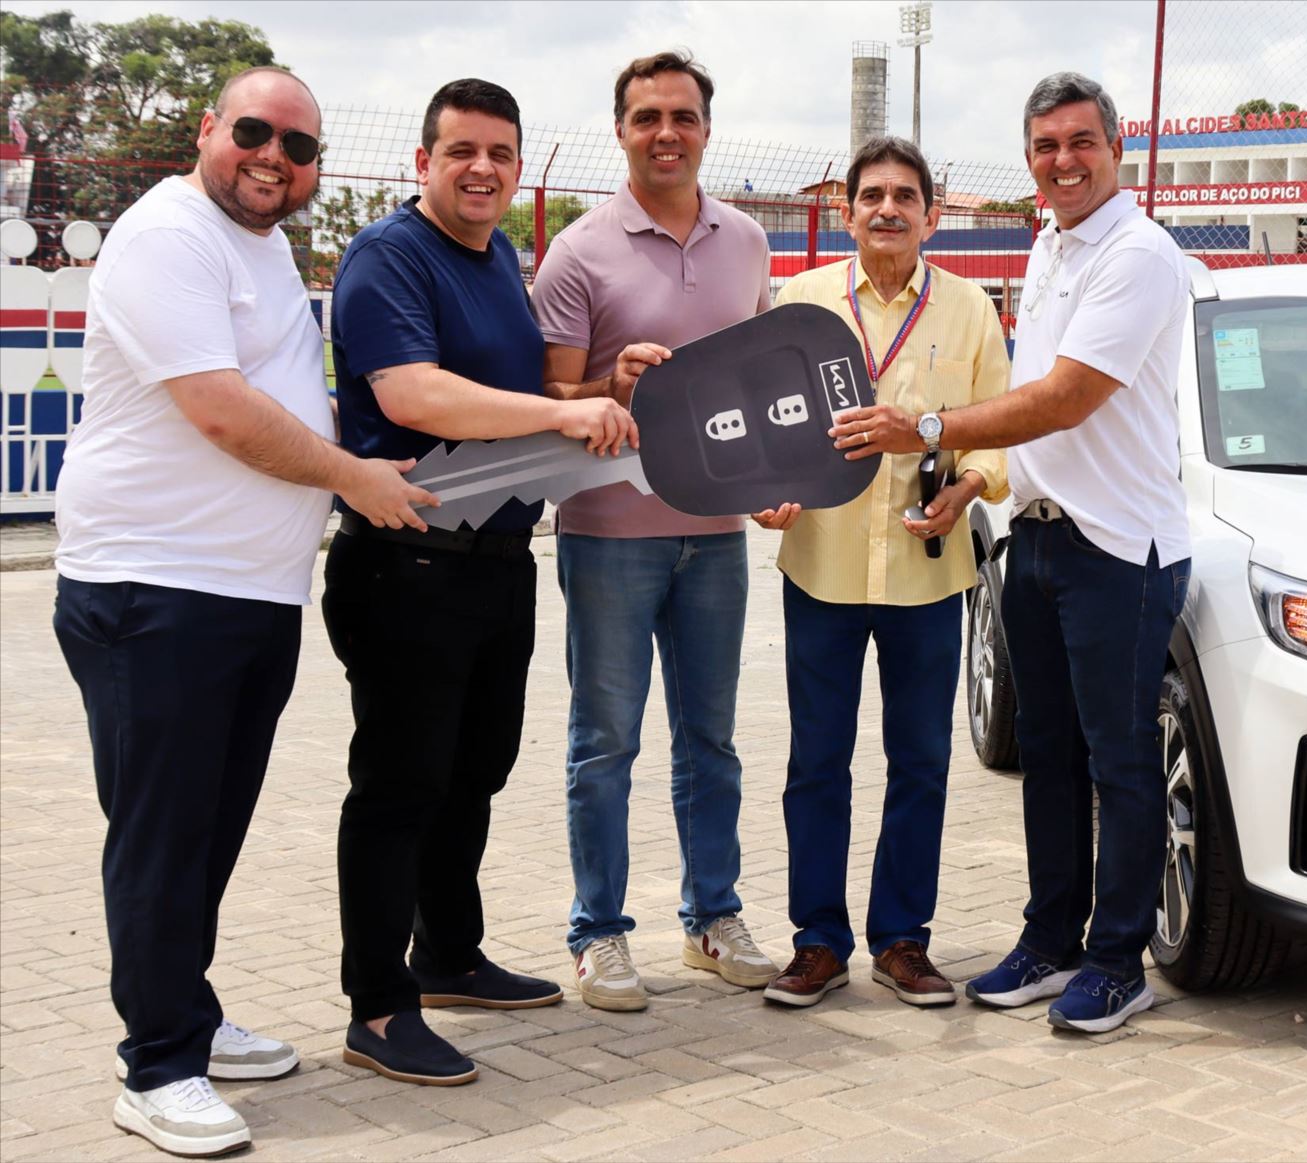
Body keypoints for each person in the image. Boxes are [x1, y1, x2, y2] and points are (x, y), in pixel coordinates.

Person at [52, 66, 436, 1155]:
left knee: (205, 832)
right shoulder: (166, 233)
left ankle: (189, 1012)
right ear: (207, 130)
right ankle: (157, 1064)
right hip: (152, 587)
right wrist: (354, 476)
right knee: (164, 836)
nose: (275, 160)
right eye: (256, 134)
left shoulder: (260, 243)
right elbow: (219, 409)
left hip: (244, 592)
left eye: (299, 148)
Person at [829, 73, 1192, 1035]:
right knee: (1047, 754)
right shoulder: (1050, 242)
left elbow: (1067, 396)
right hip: (1036, 537)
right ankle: (1049, 939)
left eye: (1079, 142)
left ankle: (1118, 960)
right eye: (1044, 147)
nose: (1062, 161)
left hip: (1119, 548)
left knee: (1118, 759)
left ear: (1114, 147)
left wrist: (927, 427)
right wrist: (978, 481)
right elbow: (1032, 407)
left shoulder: (1139, 254)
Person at [326, 78, 637, 1085]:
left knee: (473, 771)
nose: (483, 169)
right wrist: (555, 416)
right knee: (398, 785)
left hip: (495, 564)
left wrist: (599, 392)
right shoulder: (389, 255)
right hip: (407, 561)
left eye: (500, 153)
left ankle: (448, 953)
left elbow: (523, 400)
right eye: (462, 150)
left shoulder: (498, 255)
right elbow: (411, 391)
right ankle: (376, 1006)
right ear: (423, 161)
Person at [530, 50, 777, 1010]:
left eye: (681, 115)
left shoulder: (748, 242)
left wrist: (767, 486)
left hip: (715, 534)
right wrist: (608, 385)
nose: (665, 132)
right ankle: (599, 934)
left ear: (706, 130)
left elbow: (760, 392)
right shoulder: (579, 250)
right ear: (621, 130)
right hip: (607, 532)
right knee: (606, 743)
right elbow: (548, 397)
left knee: (710, 741)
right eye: (645, 117)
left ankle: (712, 918)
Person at [753, 135, 1009, 1009]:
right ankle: (816, 942)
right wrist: (770, 492)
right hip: (820, 565)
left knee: (922, 761)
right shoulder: (804, 299)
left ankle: (903, 938)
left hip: (926, 574)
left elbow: (993, 435)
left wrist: (965, 485)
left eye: (905, 195)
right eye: (872, 195)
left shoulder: (971, 309)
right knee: (815, 762)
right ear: (848, 210)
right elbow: (767, 427)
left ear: (931, 214)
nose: (888, 209)